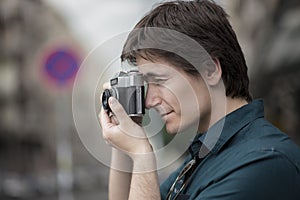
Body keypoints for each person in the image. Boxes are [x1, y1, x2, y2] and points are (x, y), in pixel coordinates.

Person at [99, 0, 300, 199]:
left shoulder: (263, 162)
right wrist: (126, 135)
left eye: (159, 81)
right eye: (146, 84)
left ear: (210, 70)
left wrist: (142, 154)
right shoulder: (204, 156)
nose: (149, 101)